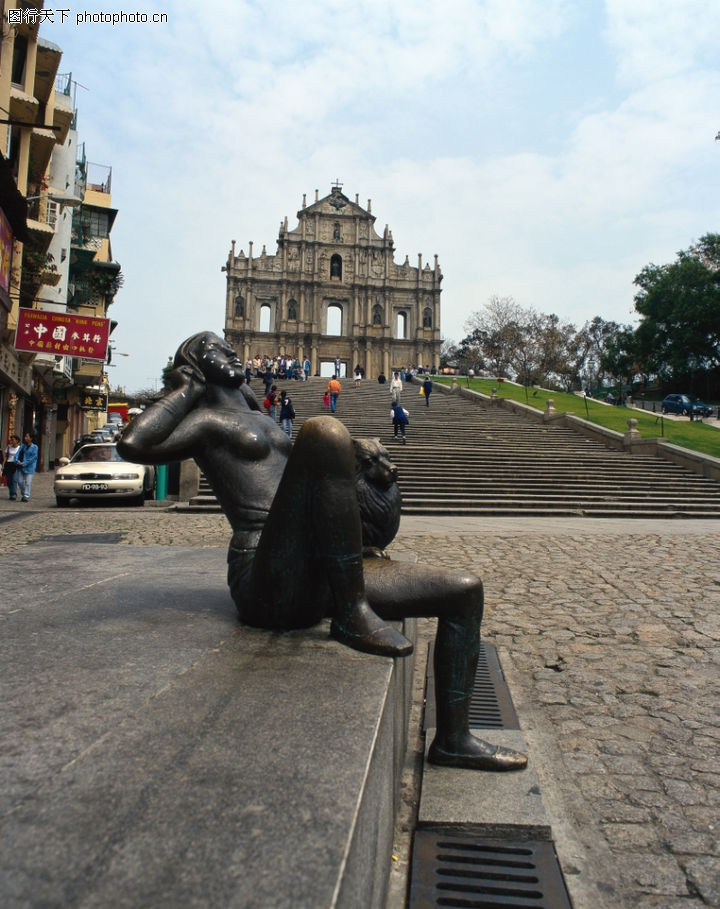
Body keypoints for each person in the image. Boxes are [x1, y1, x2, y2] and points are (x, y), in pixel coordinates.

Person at [118, 332, 527, 772]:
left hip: (316, 565)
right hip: (267, 575)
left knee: (465, 590)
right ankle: (352, 614)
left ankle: (454, 740)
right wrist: (188, 388)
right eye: (218, 349)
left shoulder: (262, 415)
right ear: (195, 364)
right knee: (324, 429)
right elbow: (134, 445)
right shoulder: (206, 421)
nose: (234, 353)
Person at [16, 432, 38, 502]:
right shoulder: (22, 446)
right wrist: (17, 461)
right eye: (25, 436)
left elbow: (33, 458)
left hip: (30, 467)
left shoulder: (35, 447)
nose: (25, 438)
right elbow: (17, 454)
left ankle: (26, 495)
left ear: (31, 438)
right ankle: (23, 494)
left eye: (27, 436)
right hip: (21, 467)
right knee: (20, 482)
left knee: (28, 483)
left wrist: (24, 463)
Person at [2, 434, 21, 500]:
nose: (11, 441)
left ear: (17, 440)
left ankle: (14, 494)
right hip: (8, 465)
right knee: (9, 481)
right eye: (11, 439)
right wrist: (3, 465)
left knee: (14, 480)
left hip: (15, 465)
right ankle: (11, 493)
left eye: (13, 440)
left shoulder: (20, 448)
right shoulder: (8, 447)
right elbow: (5, 457)